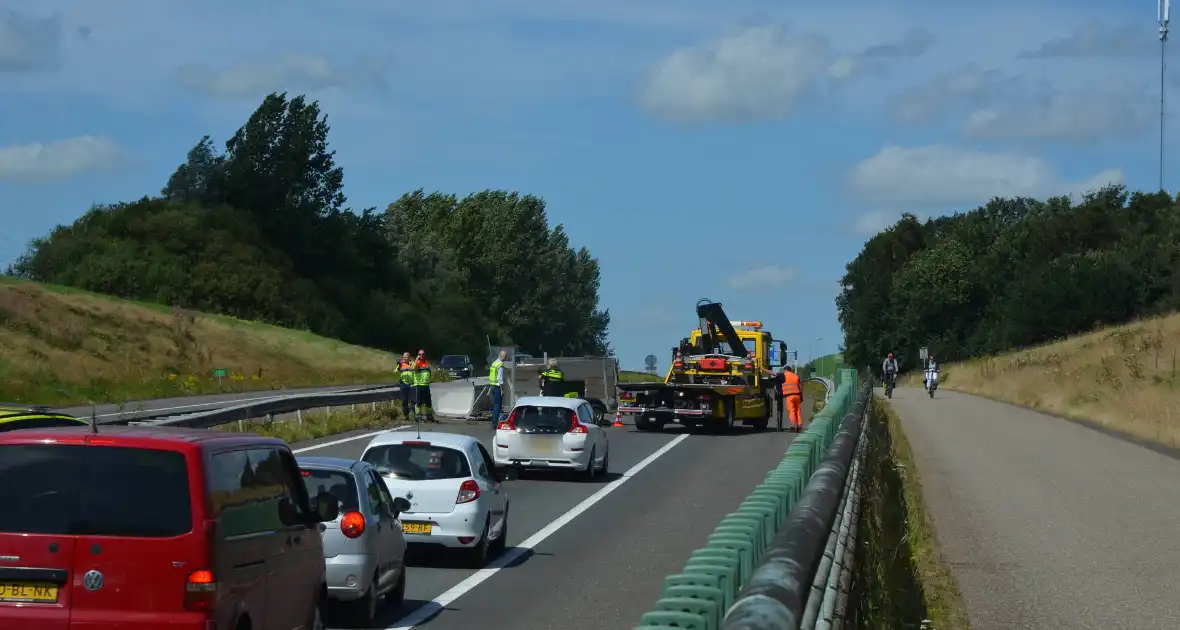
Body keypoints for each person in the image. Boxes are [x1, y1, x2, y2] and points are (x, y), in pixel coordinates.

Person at [412, 349, 435, 422]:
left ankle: (429, 416)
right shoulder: (416, 362)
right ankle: (418, 416)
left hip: (426, 385)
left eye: (423, 354)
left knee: (428, 401)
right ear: (418, 355)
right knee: (419, 401)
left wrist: (429, 378)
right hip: (419, 385)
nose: (421, 356)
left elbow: (429, 371)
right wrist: (416, 359)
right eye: (420, 354)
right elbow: (413, 368)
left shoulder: (426, 362)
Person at [781, 366, 803, 432]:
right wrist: (801, 397)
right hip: (797, 395)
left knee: (791, 411)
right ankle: (800, 425)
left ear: (785, 370)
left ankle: (794, 425)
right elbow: (800, 387)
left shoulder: (783, 375)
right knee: (798, 411)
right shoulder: (796, 376)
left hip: (789, 396)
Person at [489, 350, 507, 429]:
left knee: (494, 405)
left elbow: (491, 376)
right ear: (502, 356)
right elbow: (500, 379)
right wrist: (502, 390)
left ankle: (493, 421)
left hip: (492, 386)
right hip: (497, 387)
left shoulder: (494, 363)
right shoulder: (500, 365)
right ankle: (495, 423)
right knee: (497, 406)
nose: (506, 358)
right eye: (506, 357)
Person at [397, 352, 415, 418]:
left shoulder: (412, 363)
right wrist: (399, 365)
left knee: (413, 400)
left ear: (409, 358)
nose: (404, 358)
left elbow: (414, 368)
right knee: (404, 400)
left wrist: (407, 368)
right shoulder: (401, 364)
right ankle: (406, 415)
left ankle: (414, 413)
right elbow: (396, 371)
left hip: (411, 384)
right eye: (403, 357)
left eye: (406, 357)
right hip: (403, 384)